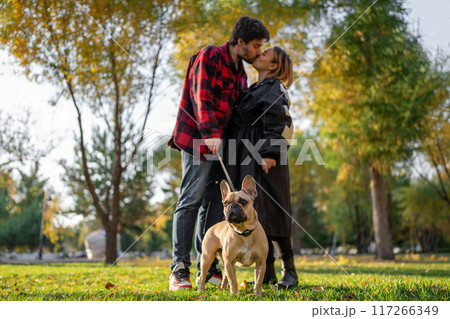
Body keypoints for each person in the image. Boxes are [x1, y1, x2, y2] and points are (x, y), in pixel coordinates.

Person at [166, 16, 270, 291]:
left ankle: (209, 268)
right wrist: (210, 132)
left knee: (213, 206)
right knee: (190, 200)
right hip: (197, 139)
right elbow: (202, 97)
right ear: (240, 42)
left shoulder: (240, 73)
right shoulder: (210, 55)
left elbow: (240, 111)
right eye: (257, 46)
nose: (259, 52)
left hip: (219, 144)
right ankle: (179, 270)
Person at [201, 46, 299, 289]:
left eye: (265, 54)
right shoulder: (251, 87)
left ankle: (290, 271)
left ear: (274, 66)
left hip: (263, 152)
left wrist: (270, 153)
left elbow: (280, 119)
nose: (259, 54)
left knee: (275, 208)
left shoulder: (275, 87)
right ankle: (267, 272)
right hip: (243, 152)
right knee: (258, 212)